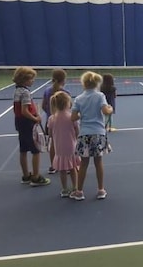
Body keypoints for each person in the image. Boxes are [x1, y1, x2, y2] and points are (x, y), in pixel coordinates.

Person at [70, 71, 113, 201]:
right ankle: (101, 190)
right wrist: (110, 109)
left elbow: (73, 117)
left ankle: (79, 191)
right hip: (98, 133)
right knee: (98, 162)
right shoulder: (100, 96)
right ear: (96, 84)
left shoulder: (78, 98)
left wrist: (82, 114)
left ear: (83, 83)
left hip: (84, 134)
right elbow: (106, 111)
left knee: (83, 164)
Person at [12, 67, 50, 186]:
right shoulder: (26, 92)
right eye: (31, 79)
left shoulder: (17, 91)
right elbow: (24, 111)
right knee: (35, 150)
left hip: (19, 123)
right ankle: (36, 177)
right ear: (25, 79)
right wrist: (35, 118)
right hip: (28, 123)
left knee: (23, 150)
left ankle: (26, 176)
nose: (33, 81)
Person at [47, 91, 81, 198]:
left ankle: (64, 189)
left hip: (59, 148)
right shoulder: (72, 117)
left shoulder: (52, 118)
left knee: (62, 169)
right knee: (73, 168)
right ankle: (75, 187)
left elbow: (50, 133)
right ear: (67, 103)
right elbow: (77, 131)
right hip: (71, 146)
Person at [41, 69, 70, 174]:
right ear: (63, 80)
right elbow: (69, 108)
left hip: (51, 122)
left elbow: (44, 105)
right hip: (64, 123)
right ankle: (67, 166)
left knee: (53, 143)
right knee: (67, 143)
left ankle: (53, 166)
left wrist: (50, 114)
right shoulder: (66, 93)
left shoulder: (47, 91)